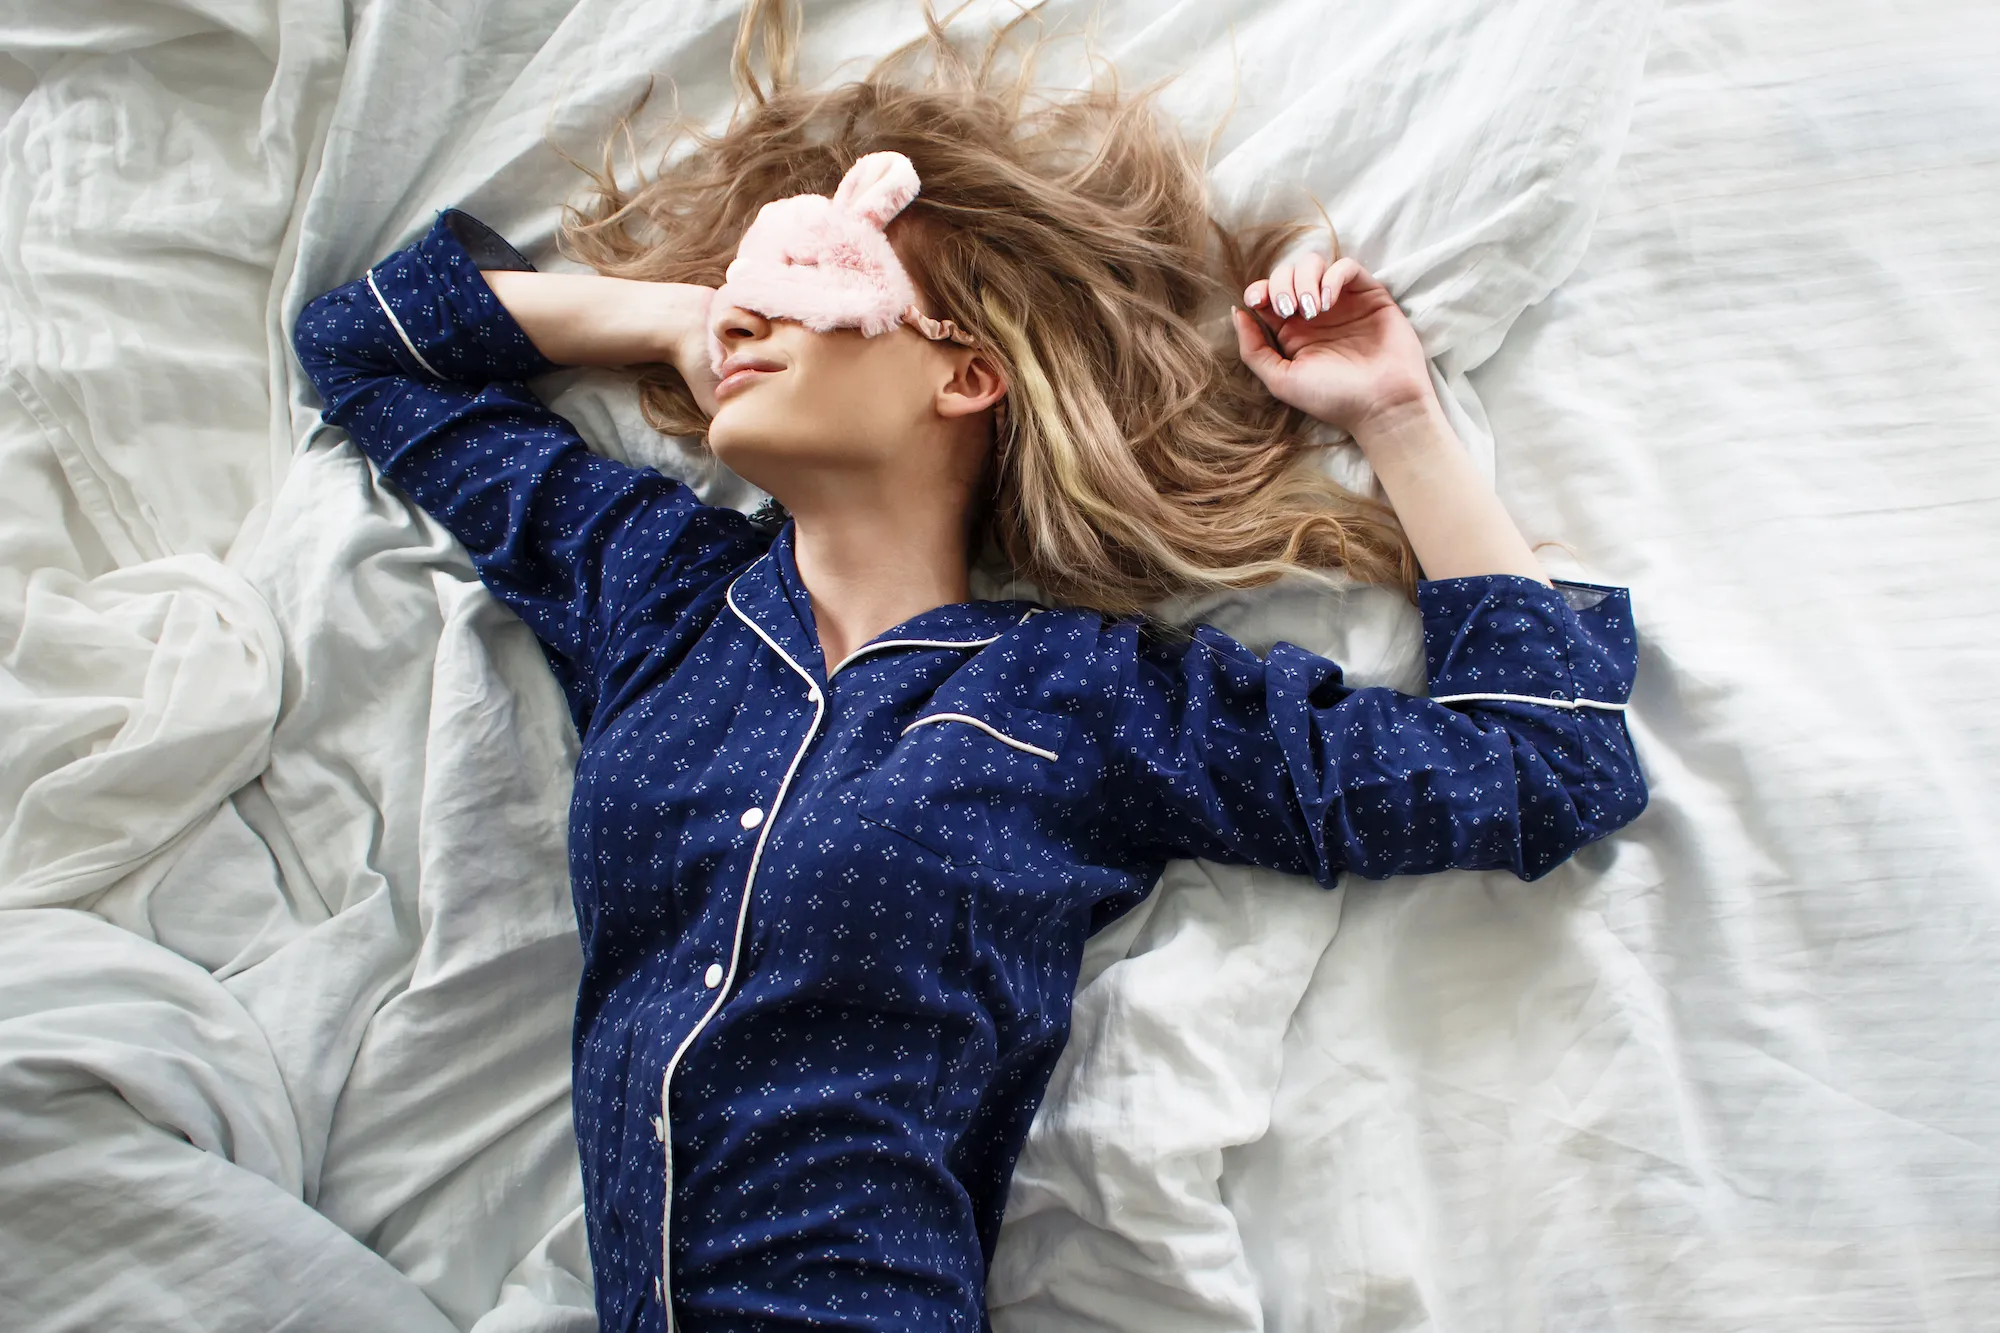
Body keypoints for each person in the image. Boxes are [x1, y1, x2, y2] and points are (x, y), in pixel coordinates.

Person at [291, 9, 1646, 1330]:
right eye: (756, 293)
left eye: (814, 290)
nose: (759, 318)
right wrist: (676, 319)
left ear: (965, 379)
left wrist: (1395, 415)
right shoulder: (656, 598)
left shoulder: (1085, 697)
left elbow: (1542, 770)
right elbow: (360, 349)